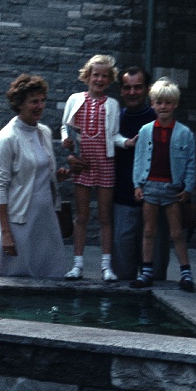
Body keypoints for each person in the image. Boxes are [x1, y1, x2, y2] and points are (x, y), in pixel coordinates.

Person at [0, 74, 71, 278]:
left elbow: (39, 174)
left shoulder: (44, 132)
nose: (40, 106)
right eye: (34, 101)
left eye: (43, 101)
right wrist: (6, 232)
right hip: (19, 221)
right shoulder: (7, 138)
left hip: (46, 219)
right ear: (20, 104)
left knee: (49, 276)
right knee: (12, 277)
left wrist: (58, 176)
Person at [61, 54, 136, 281]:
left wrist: (127, 142)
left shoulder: (112, 104)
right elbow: (66, 127)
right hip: (83, 163)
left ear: (110, 79)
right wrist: (66, 141)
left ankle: (106, 266)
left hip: (105, 162)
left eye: (105, 76)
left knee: (105, 217)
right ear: (88, 76)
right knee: (82, 216)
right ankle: (77, 264)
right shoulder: (75, 98)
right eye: (96, 75)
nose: (100, 79)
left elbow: (113, 135)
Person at [129, 78, 196, 291]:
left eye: (168, 103)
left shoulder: (184, 133)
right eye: (159, 103)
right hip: (150, 186)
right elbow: (139, 159)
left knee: (176, 232)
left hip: (172, 189)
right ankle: (146, 272)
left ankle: (186, 273)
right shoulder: (146, 130)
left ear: (175, 104)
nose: (163, 107)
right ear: (152, 104)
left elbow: (190, 162)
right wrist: (137, 184)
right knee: (149, 230)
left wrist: (187, 187)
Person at [111, 66, 171, 281]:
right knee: (122, 274)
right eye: (127, 88)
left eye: (138, 87)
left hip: (157, 201)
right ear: (121, 90)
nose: (132, 92)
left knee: (154, 275)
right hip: (123, 202)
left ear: (147, 89)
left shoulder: (159, 118)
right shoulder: (114, 119)